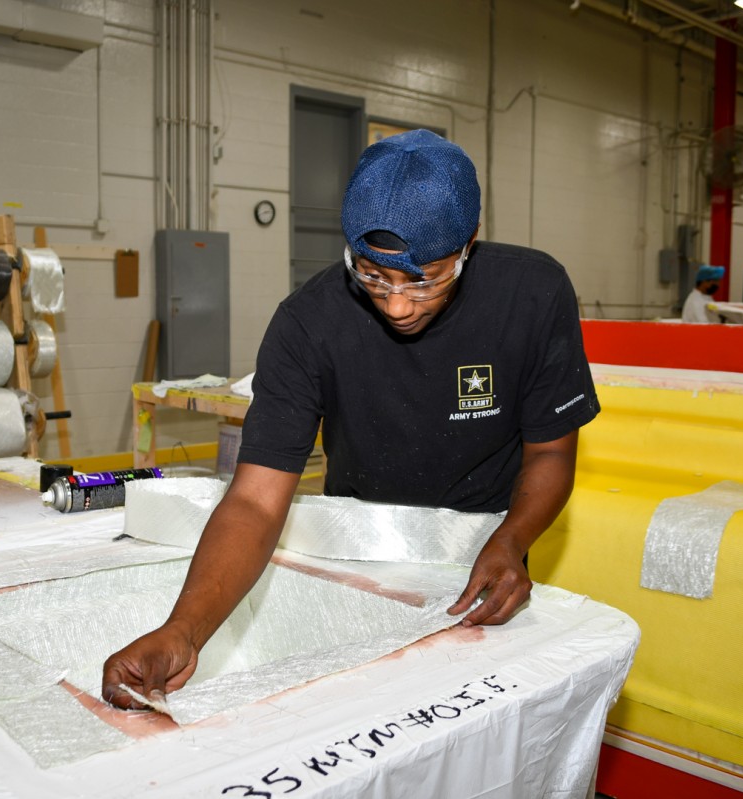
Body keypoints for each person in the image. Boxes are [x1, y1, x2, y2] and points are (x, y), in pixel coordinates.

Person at [102, 129, 600, 709]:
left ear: (468, 244)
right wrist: (184, 631)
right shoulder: (308, 324)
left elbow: (550, 451)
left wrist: (512, 540)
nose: (397, 304)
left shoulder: (532, 295)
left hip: (483, 557)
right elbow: (256, 500)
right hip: (360, 557)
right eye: (372, 274)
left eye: (425, 278)